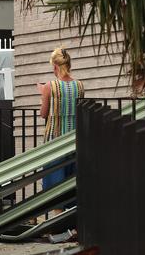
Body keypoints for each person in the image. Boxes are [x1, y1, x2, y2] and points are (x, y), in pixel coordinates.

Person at [37, 48, 84, 197]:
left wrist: (42, 93)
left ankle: (58, 217)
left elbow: (43, 114)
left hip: (55, 140)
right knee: (73, 185)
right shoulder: (80, 85)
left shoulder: (50, 86)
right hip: (75, 139)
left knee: (55, 188)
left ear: (55, 67)